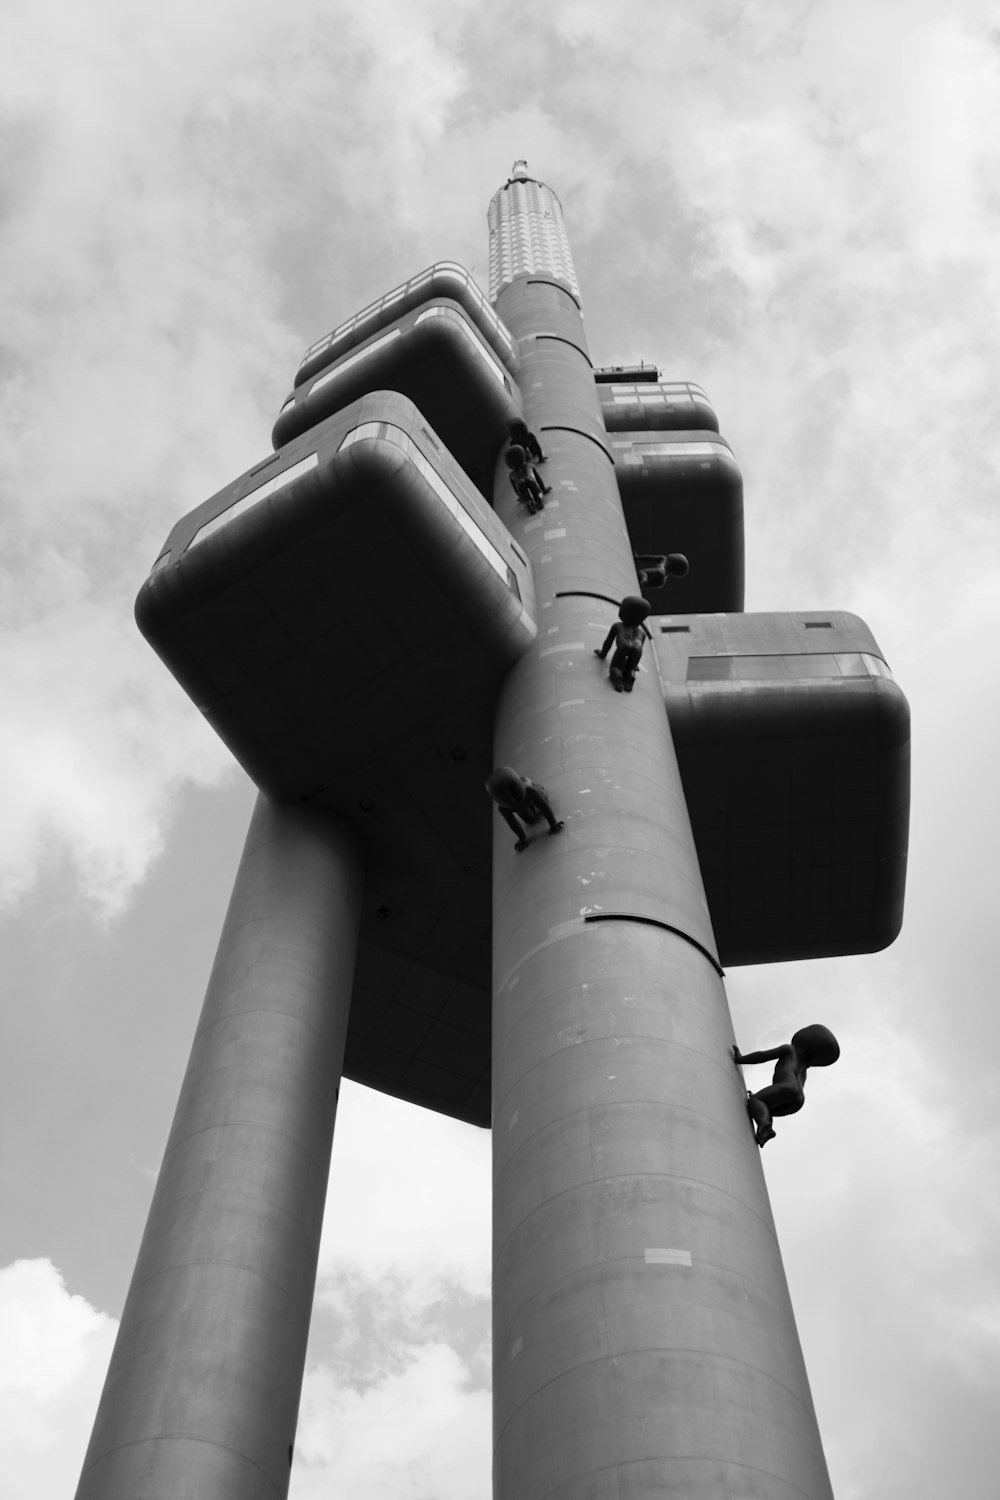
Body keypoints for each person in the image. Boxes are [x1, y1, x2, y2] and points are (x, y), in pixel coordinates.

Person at [732, 1024, 840, 1147]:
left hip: (788, 1087)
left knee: (756, 1100)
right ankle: (764, 1132)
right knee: (766, 1108)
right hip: (798, 1100)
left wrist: (741, 1059)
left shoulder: (790, 1050)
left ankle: (764, 1126)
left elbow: (762, 1056)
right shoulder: (803, 1068)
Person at [486, 766, 564, 852]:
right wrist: (522, 837)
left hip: (529, 794)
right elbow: (513, 823)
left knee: (543, 797)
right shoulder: (503, 809)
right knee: (530, 820)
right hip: (522, 805)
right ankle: (530, 801)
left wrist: (552, 823)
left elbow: (543, 805)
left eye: (512, 790)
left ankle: (537, 786)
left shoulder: (530, 790)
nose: (512, 794)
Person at [594, 595, 652, 692]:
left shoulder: (618, 626)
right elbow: (641, 646)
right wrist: (635, 664)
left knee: (615, 667)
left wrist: (602, 654)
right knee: (630, 668)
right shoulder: (642, 632)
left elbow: (608, 642)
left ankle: (618, 680)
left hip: (624, 646)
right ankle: (630, 679)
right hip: (637, 648)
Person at [504, 445, 548, 513]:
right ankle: (539, 500)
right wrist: (544, 490)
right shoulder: (530, 465)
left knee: (526, 498)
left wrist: (520, 497)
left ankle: (529, 505)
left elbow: (515, 488)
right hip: (530, 480)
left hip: (520, 485)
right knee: (537, 492)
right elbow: (538, 479)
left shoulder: (512, 475)